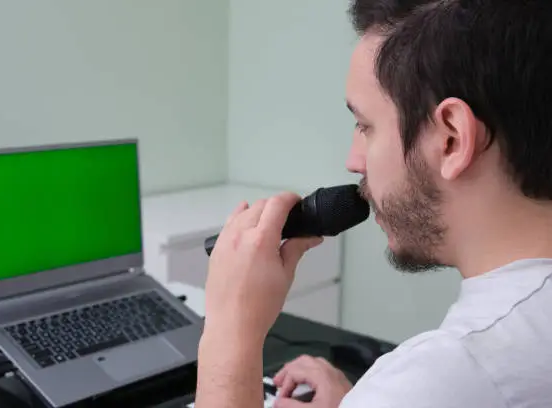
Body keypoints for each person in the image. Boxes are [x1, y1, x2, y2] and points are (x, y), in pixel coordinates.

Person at [194, 0, 552, 406]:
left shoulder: (453, 371)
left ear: (451, 139)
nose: (353, 161)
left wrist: (228, 330)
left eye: (365, 126)